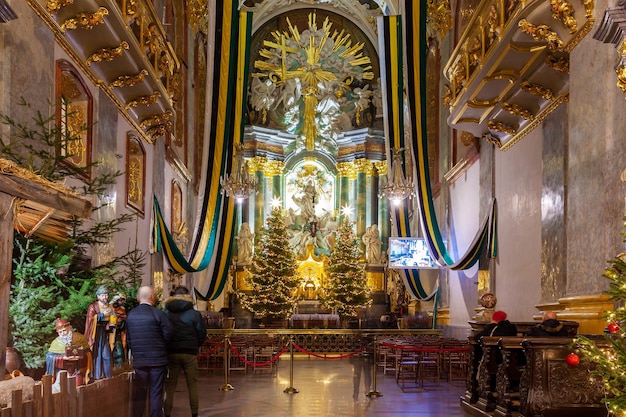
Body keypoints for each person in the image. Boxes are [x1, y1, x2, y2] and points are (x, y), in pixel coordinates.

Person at [126, 286, 174, 417]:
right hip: (157, 360)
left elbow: (128, 339)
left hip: (140, 360)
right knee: (156, 393)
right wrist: (160, 345)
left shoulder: (131, 315)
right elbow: (169, 333)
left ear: (138, 298)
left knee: (140, 393)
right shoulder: (158, 314)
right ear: (152, 297)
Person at [163, 286, 207, 417]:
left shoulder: (166, 312)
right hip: (189, 352)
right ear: (187, 297)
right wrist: (195, 345)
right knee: (192, 384)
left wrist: (167, 345)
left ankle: (167, 413)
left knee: (170, 386)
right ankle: (194, 413)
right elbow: (202, 332)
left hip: (172, 352)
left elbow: (163, 331)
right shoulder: (194, 314)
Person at [45, 318, 91, 387]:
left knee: (77, 388)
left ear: (69, 328)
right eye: (60, 332)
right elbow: (49, 358)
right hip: (62, 372)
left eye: (64, 330)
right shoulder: (56, 343)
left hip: (77, 370)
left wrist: (81, 356)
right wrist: (63, 358)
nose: (63, 334)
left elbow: (88, 353)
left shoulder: (80, 338)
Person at [85, 285, 115, 380]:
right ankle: (97, 375)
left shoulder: (110, 306)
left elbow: (112, 317)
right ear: (98, 296)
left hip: (104, 332)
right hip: (95, 333)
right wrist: (102, 315)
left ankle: (108, 375)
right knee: (96, 354)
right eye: (102, 295)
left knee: (106, 354)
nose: (105, 297)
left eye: (106, 295)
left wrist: (112, 322)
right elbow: (90, 319)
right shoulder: (93, 307)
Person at [111, 293, 128, 368]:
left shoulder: (122, 309)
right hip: (111, 332)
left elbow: (124, 318)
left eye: (122, 300)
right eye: (120, 300)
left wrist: (121, 320)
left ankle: (119, 366)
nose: (121, 302)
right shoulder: (111, 308)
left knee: (120, 350)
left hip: (119, 332)